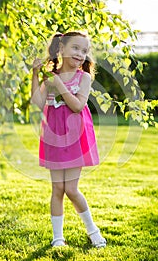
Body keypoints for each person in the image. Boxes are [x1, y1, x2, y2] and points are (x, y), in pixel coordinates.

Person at [31, 31, 106, 248]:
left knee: (71, 189)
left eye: (84, 51)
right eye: (76, 48)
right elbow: (37, 102)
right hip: (54, 136)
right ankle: (57, 239)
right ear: (61, 49)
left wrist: (59, 85)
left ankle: (93, 232)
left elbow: (77, 106)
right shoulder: (51, 76)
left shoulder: (83, 77)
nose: (81, 54)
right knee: (57, 189)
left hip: (75, 136)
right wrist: (36, 75)